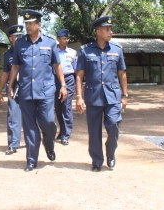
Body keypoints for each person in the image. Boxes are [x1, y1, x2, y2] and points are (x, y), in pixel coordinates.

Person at [7, 10, 67, 172]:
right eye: (26, 23)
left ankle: (49, 143)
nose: (28, 26)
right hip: (26, 90)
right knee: (29, 126)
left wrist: (63, 84)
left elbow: (57, 65)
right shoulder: (20, 43)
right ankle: (31, 160)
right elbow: (15, 66)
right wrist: (10, 85)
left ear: (39, 24)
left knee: (48, 121)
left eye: (31, 23)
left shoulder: (50, 42)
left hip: (46, 90)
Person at [75, 16, 128, 171]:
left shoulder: (117, 50)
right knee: (94, 130)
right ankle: (97, 160)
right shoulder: (86, 50)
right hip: (93, 96)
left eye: (111, 29)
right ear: (98, 31)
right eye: (107, 29)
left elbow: (122, 73)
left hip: (112, 96)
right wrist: (79, 97)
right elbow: (79, 75)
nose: (110, 32)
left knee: (113, 125)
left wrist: (125, 95)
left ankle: (110, 153)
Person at [0, 24, 24, 155]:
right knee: (13, 114)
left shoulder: (28, 49)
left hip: (29, 86)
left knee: (32, 116)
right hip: (13, 86)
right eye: (16, 36)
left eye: (20, 36)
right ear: (10, 38)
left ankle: (34, 140)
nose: (18, 38)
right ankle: (13, 144)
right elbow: (4, 74)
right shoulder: (8, 55)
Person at [54, 29, 77, 145]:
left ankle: (66, 135)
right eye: (64, 38)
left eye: (67, 38)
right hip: (55, 79)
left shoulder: (73, 53)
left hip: (68, 79)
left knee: (66, 106)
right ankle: (62, 130)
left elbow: (76, 69)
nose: (66, 40)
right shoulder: (53, 52)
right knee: (58, 107)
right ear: (58, 39)